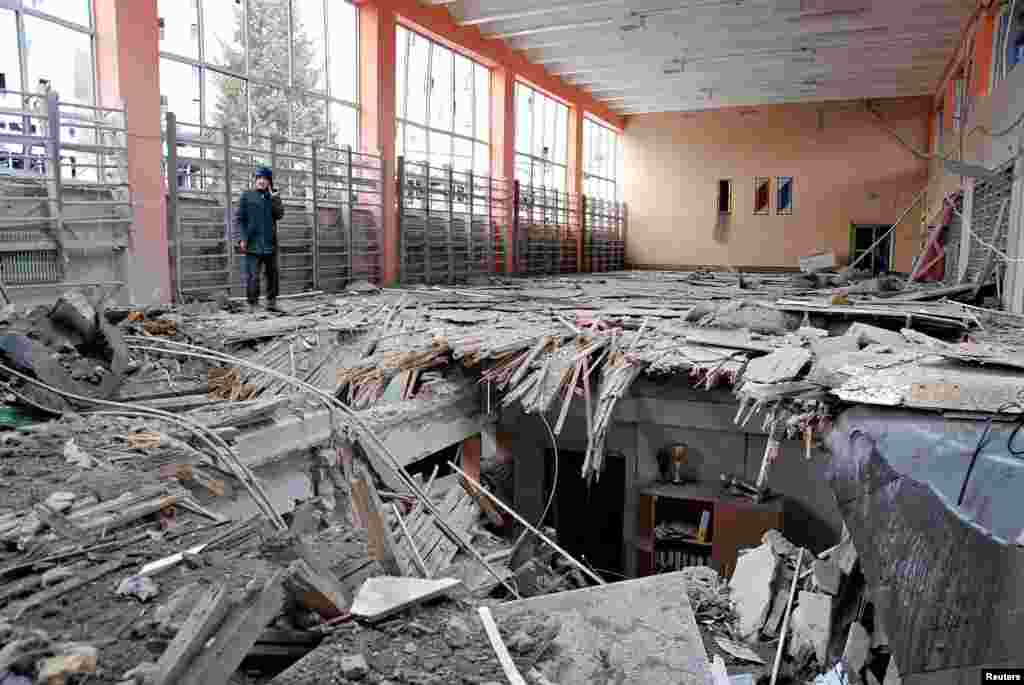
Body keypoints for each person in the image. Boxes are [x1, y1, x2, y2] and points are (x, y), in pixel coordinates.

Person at [235, 166, 284, 312]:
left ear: (269, 182)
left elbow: (280, 215)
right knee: (253, 276)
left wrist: (274, 198)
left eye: (265, 179)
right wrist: (241, 238)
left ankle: (272, 302)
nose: (262, 181)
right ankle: (253, 304)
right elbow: (239, 219)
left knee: (272, 275)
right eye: (259, 178)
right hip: (252, 243)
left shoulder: (273, 197)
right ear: (255, 180)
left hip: (270, 244)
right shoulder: (247, 195)